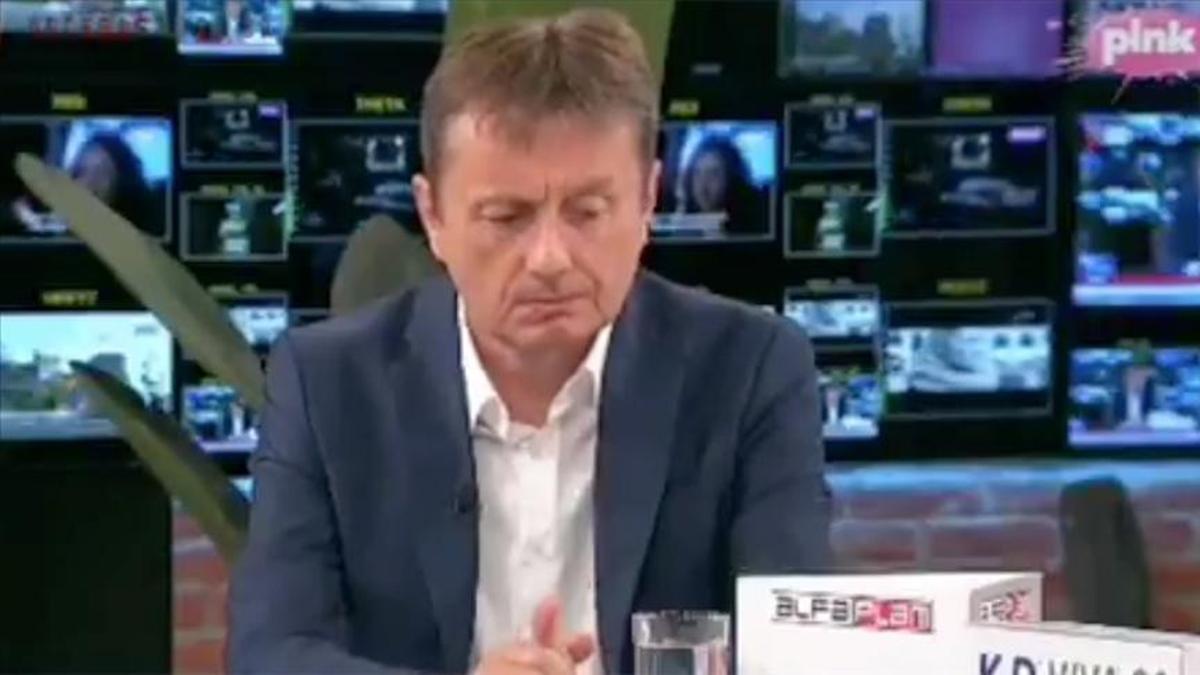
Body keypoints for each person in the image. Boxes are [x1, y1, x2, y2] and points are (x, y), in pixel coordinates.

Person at [229, 9, 831, 675]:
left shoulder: (751, 369)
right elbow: (272, 654)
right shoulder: (327, 384)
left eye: (587, 212)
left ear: (647, 200)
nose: (549, 257)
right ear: (433, 215)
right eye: (507, 216)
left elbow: (794, 648)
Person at [678, 134, 767, 237]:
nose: (703, 183)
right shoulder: (684, 227)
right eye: (697, 173)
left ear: (731, 178)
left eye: (714, 174)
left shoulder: (753, 226)